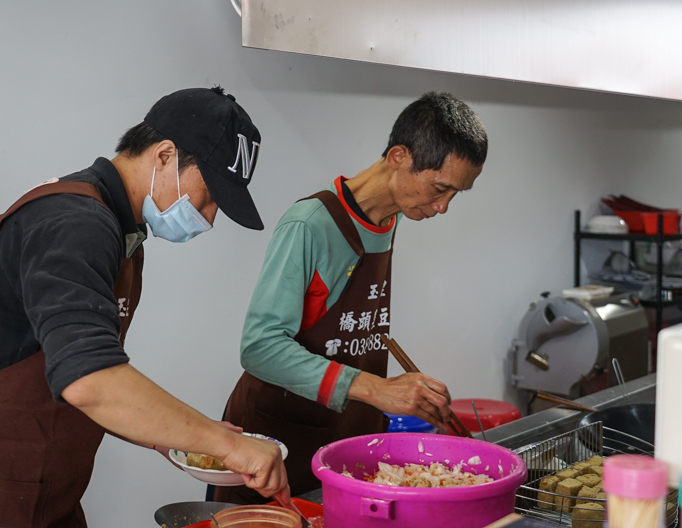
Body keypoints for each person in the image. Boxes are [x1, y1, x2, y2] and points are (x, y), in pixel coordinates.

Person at [0, 87, 288, 528]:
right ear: (166, 155)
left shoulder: (120, 232)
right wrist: (226, 444)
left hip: (46, 491)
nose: (209, 218)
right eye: (210, 195)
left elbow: (92, 369)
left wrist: (171, 437)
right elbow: (88, 379)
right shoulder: (76, 223)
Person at [214, 91, 488, 502]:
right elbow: (259, 348)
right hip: (277, 441)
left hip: (348, 437)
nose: (444, 206)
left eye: (455, 194)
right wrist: (376, 389)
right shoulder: (309, 225)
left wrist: (394, 391)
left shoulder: (390, 218)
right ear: (398, 156)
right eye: (439, 188)